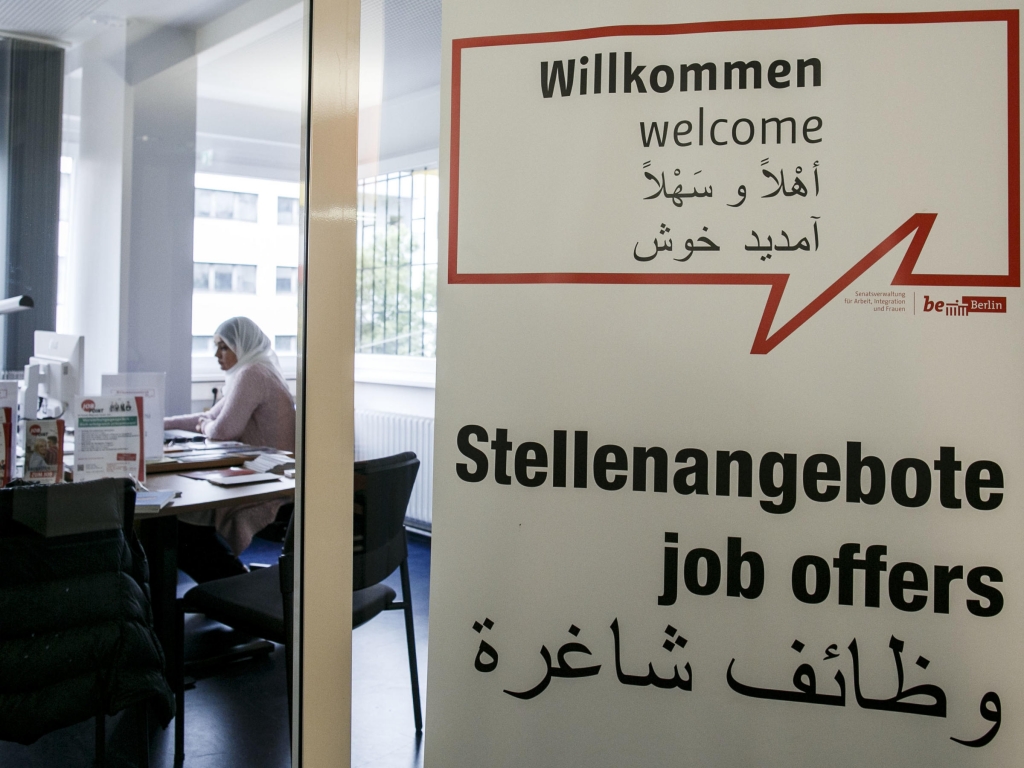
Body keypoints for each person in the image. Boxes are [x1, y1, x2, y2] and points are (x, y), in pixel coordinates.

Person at [165, 317, 296, 582]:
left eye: (224, 347)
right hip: (264, 472)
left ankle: (231, 583)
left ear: (243, 345)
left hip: (268, 481)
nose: (216, 354)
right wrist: (155, 421)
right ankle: (230, 581)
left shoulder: (253, 374)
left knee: (180, 521)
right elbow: (209, 418)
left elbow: (223, 430)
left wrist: (205, 424)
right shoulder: (254, 371)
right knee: (185, 519)